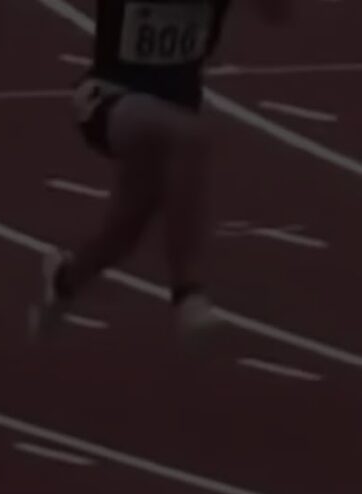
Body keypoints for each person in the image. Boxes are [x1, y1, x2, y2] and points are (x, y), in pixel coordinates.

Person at [31, 0, 293, 339]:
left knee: (124, 231)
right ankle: (187, 292)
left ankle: (64, 281)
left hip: (173, 107)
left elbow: (278, 14)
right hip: (110, 98)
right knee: (191, 137)